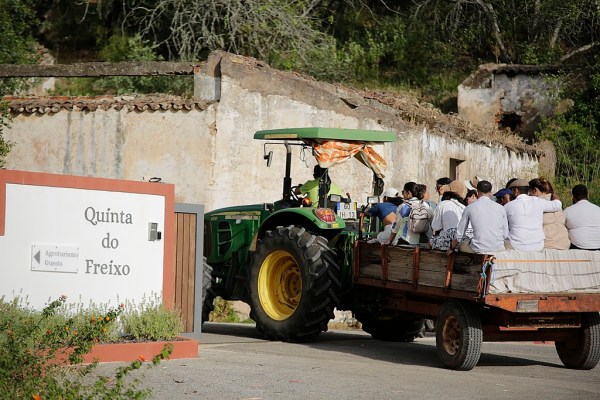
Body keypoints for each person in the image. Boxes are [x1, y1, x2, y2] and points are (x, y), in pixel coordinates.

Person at [447, 180, 508, 255]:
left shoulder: (470, 207)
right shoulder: (501, 208)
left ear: (477, 192)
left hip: (478, 248)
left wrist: (451, 248)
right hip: (498, 248)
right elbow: (505, 234)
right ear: (490, 192)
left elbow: (460, 234)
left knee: (463, 245)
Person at [504, 178, 562, 251]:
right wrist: (554, 195)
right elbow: (557, 205)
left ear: (516, 191)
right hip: (538, 245)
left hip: (516, 245)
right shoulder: (538, 201)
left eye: (511, 191)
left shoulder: (508, 206)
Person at [529, 177, 570, 250]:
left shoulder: (535, 204)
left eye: (529, 192)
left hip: (546, 245)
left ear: (535, 190)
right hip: (564, 244)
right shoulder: (558, 205)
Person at [563, 184, 600, 250]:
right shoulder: (598, 209)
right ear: (587, 195)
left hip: (578, 247)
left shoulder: (568, 211)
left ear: (573, 197)